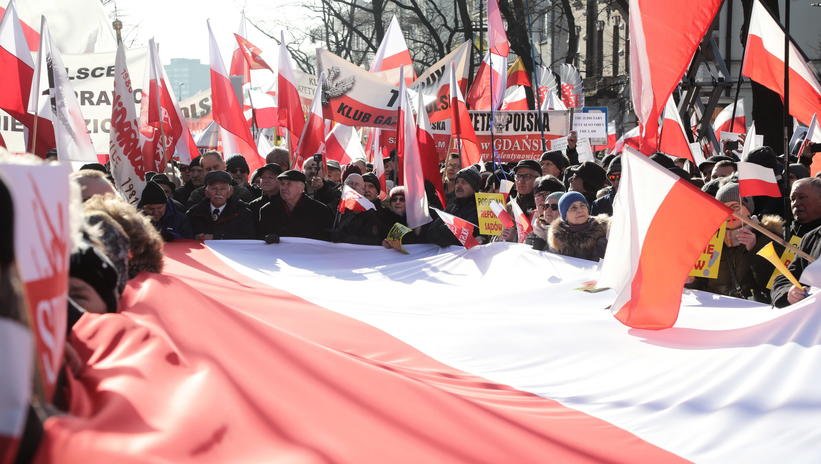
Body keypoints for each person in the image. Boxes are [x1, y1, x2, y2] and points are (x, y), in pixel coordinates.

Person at [688, 182, 778, 302]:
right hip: (720, 311)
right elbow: (701, 288)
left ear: (748, 209)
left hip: (755, 310)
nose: (730, 212)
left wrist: (754, 250)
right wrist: (691, 280)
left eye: (735, 206)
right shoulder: (711, 240)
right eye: (723, 208)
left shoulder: (769, 236)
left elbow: (774, 284)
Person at [772, 178, 821, 307]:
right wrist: (789, 292)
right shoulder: (810, 238)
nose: (796, 203)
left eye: (802, 197)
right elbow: (783, 279)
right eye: (793, 198)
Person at [258, 169, 333, 241]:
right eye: (282, 184)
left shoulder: (319, 210)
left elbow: (326, 239)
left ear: (301, 187)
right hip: (278, 253)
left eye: (289, 184)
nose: (284, 188)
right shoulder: (268, 210)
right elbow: (260, 237)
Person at [187, 170, 256, 240]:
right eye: (214, 188)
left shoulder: (243, 213)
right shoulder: (194, 213)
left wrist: (216, 237)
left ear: (230, 192)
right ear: (206, 192)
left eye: (222, 189)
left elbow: (248, 237)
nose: (218, 192)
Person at [424, 167, 484, 247]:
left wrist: (445, 231)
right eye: (457, 182)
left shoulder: (481, 209)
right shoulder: (452, 206)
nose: (458, 186)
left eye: (464, 182)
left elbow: (465, 235)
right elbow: (432, 232)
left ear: (474, 188)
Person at [547, 191, 609, 261]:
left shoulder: (606, 233)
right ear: (565, 216)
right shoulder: (557, 240)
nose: (580, 210)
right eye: (573, 208)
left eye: (582, 205)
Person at [186, 151, 254, 207]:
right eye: (208, 169)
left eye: (216, 167)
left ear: (224, 165)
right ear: (203, 172)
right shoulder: (197, 195)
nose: (213, 171)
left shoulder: (241, 193)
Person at [331, 174, 383, 245]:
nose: (352, 186)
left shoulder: (370, 213)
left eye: (356, 184)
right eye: (350, 183)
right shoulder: (331, 207)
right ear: (343, 186)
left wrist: (343, 238)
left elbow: (371, 240)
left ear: (362, 191)